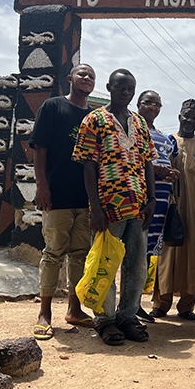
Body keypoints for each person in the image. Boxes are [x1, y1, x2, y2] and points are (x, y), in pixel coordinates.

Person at [72, 68, 157, 346]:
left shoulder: (139, 123)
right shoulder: (94, 120)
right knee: (105, 263)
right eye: (121, 87)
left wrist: (152, 199)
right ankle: (105, 319)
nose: (126, 93)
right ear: (109, 88)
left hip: (138, 205)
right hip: (108, 206)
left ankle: (128, 316)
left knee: (137, 265)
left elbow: (148, 161)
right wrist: (95, 208)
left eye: (131, 88)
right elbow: (88, 165)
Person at [29, 64, 97, 340]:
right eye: (82, 74)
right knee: (53, 253)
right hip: (56, 194)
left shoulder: (94, 116)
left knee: (80, 254)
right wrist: (42, 185)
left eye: (91, 76)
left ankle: (74, 309)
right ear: (70, 79)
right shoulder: (53, 107)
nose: (87, 78)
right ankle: (44, 313)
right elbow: (40, 149)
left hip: (85, 197)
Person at [152, 99, 195, 320]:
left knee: (192, 254)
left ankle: (187, 306)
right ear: (180, 116)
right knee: (166, 254)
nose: (190, 120)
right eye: (187, 116)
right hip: (170, 207)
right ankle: (161, 303)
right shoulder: (168, 141)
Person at [135, 90, 180, 322]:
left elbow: (168, 162)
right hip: (139, 199)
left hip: (161, 202)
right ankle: (127, 305)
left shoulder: (165, 137)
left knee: (145, 252)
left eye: (157, 104)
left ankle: (135, 304)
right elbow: (131, 161)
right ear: (138, 104)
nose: (153, 107)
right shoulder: (131, 129)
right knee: (133, 250)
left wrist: (169, 173)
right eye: (148, 102)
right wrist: (157, 170)